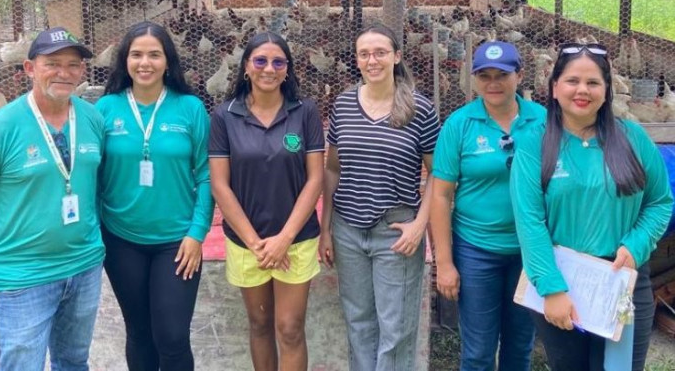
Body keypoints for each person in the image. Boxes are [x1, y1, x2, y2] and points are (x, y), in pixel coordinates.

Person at [510, 42, 673, 371]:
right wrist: (552, 289)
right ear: (555, 88)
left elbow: (660, 202)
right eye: (572, 81)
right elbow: (530, 222)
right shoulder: (534, 144)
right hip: (561, 280)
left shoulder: (633, 139)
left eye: (593, 82)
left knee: (620, 367)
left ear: (606, 90)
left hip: (622, 279)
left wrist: (637, 245)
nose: (582, 90)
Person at [0, 27, 105, 370]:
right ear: (29, 68)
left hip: (83, 267)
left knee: (74, 362)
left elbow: (94, 188)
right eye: (52, 63)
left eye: (73, 64)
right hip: (23, 275)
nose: (64, 72)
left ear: (83, 71)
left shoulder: (93, 119)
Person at [319, 23, 440, 371]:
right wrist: (326, 228)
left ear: (396, 56)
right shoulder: (342, 106)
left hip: (396, 231)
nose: (372, 60)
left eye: (380, 52)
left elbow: (438, 174)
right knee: (358, 322)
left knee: (396, 328)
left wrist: (419, 225)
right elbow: (332, 170)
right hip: (348, 230)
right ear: (357, 61)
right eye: (364, 54)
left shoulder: (419, 109)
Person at [95, 21, 213, 371]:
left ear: (167, 61)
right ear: (124, 61)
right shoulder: (105, 109)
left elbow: (207, 175)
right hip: (120, 239)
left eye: (154, 55)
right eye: (136, 55)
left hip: (177, 243)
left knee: (173, 336)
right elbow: (91, 174)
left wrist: (197, 233)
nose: (144, 63)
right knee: (139, 332)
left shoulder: (190, 108)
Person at [209, 31, 324, 371]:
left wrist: (283, 240)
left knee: (289, 329)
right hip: (248, 242)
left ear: (287, 70)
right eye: (260, 60)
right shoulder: (224, 116)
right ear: (246, 66)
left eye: (278, 62)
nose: (269, 69)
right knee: (259, 325)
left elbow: (315, 179)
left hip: (296, 240)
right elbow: (219, 184)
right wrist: (256, 242)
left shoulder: (305, 112)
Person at [429, 41, 545, 371]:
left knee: (520, 345)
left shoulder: (543, 120)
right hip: (476, 250)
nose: (493, 84)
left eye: (502, 75)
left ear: (519, 76)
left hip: (530, 250)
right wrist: (445, 262)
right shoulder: (460, 124)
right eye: (484, 76)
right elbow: (440, 195)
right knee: (479, 351)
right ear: (474, 79)